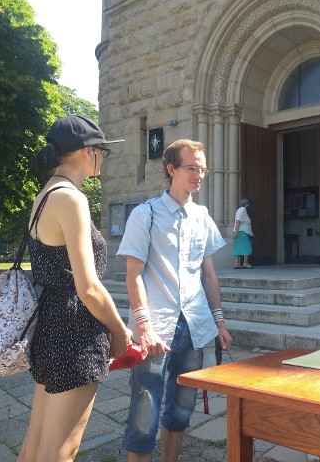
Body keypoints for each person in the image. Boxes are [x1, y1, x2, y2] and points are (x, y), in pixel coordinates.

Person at [18, 115, 132, 461]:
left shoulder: (45, 194)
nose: (103, 159)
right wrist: (120, 331)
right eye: (103, 152)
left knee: (36, 445)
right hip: (75, 334)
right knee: (61, 451)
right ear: (87, 152)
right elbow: (89, 288)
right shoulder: (71, 198)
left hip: (50, 327)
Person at [117, 139, 233, 462]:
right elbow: (133, 274)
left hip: (194, 327)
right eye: (192, 168)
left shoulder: (203, 217)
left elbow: (208, 275)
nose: (200, 175)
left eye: (203, 169)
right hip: (154, 330)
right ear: (172, 169)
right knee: (144, 413)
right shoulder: (146, 215)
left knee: (182, 408)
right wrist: (143, 325)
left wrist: (219, 322)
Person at [232, 198, 253, 269]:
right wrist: (236, 232)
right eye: (248, 204)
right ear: (246, 204)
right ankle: (245, 263)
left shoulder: (242, 211)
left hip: (240, 232)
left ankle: (236, 264)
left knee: (237, 247)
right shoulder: (242, 210)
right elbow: (238, 221)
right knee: (247, 246)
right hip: (241, 232)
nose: (249, 206)